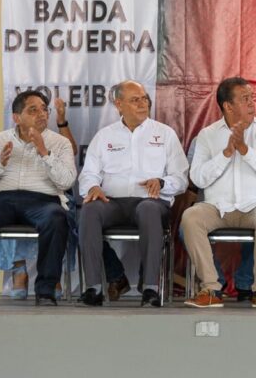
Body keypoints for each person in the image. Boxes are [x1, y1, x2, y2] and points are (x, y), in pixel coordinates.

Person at [0, 90, 76, 306]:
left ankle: (46, 290)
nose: (41, 114)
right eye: (33, 110)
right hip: (3, 200)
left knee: (57, 218)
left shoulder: (59, 143)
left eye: (44, 109)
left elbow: (67, 181)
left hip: (43, 201)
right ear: (16, 117)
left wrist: (44, 152)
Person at [78, 81, 189, 307]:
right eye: (134, 100)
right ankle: (94, 288)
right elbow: (88, 173)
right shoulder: (104, 136)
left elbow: (181, 178)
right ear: (119, 104)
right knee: (89, 210)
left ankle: (150, 288)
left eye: (144, 99)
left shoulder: (165, 134)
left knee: (148, 209)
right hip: (112, 202)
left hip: (150, 201)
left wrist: (162, 182)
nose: (142, 104)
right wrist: (93, 187)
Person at [181, 77, 256, 309]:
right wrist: (226, 153)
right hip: (218, 208)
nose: (251, 103)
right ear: (227, 106)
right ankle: (210, 288)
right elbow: (197, 177)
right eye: (244, 99)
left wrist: (245, 150)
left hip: (254, 208)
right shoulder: (208, 135)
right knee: (191, 216)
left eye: (251, 98)